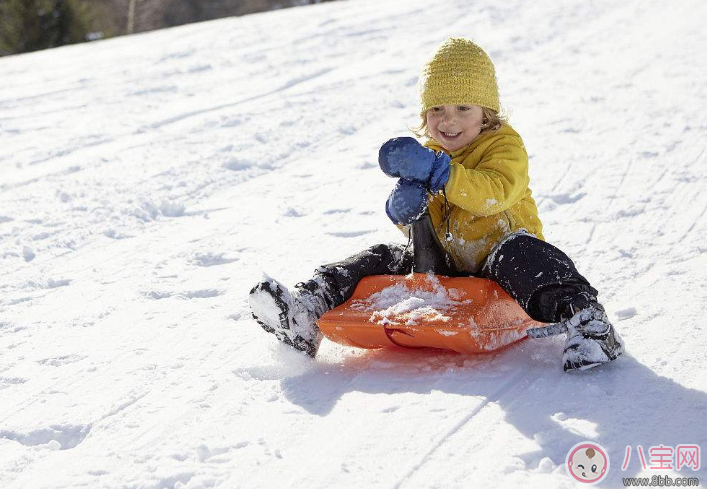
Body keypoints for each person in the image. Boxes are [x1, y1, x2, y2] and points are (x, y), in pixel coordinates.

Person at [248, 37, 624, 372]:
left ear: (486, 112)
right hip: (444, 266)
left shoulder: (504, 147)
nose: (449, 121)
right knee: (384, 255)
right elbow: (426, 228)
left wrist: (441, 174)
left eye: (463, 108)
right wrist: (405, 214)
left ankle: (587, 321)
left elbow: (494, 192)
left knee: (522, 253)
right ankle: (307, 314)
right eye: (437, 110)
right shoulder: (429, 155)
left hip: (498, 261)